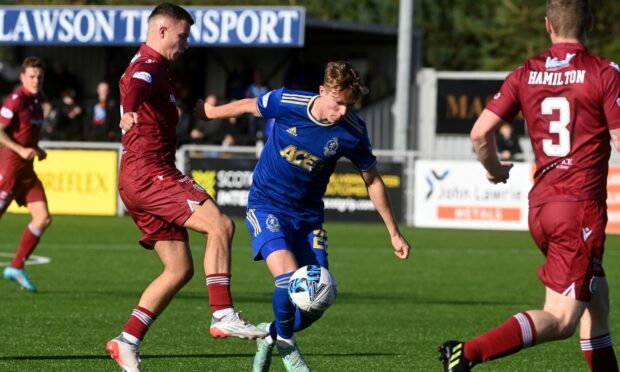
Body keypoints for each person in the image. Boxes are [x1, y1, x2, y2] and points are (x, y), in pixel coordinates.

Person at [194, 60, 411, 372]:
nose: (342, 113)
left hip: (308, 217)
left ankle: (270, 336)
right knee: (287, 280)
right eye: (337, 104)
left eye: (348, 106)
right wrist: (211, 113)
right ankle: (287, 345)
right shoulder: (288, 102)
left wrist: (393, 231)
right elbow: (248, 105)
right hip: (267, 205)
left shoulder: (353, 130)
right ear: (322, 91)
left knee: (317, 301)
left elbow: (373, 180)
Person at [439, 1, 620, 371]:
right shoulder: (604, 72)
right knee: (562, 319)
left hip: (541, 208)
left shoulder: (526, 72)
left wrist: (494, 168)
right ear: (590, 23)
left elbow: (479, 133)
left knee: (597, 305)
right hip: (578, 210)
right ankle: (466, 353)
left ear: (547, 26)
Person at [107, 4, 267, 372]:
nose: (187, 43)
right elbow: (134, 87)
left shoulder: (156, 67)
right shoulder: (146, 66)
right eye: (183, 35)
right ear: (162, 31)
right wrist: (128, 111)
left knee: (179, 269)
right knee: (221, 226)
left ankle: (126, 340)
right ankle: (223, 313)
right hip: (150, 173)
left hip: (138, 177)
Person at [0, 56, 50, 292]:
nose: (35, 80)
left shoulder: (38, 102)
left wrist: (35, 148)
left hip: (27, 172)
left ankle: (16, 266)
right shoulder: (15, 101)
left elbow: (27, 134)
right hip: (8, 169)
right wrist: (21, 149)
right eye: (31, 76)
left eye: (39, 77)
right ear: (22, 78)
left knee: (43, 218)